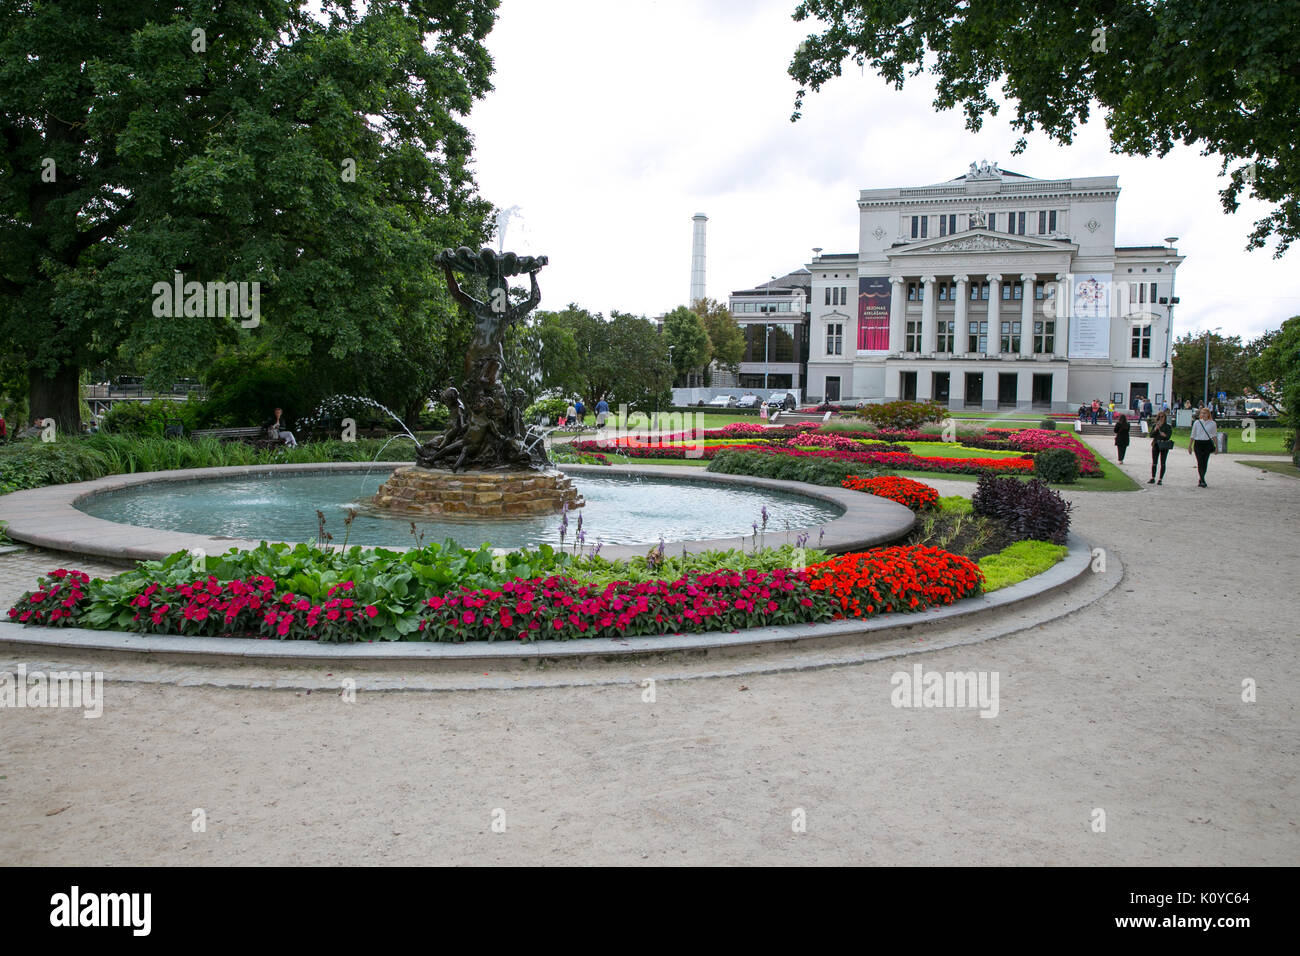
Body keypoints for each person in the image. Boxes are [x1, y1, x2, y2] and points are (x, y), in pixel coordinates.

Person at [1189, 406, 1218, 488]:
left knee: (1204, 462)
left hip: (1207, 443)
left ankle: (1201, 478)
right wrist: (1190, 446)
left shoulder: (1212, 423)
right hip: (1198, 443)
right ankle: (1202, 479)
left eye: (1205, 413)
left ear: (1208, 414)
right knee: (1200, 461)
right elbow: (1193, 435)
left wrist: (1217, 447)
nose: (1203, 415)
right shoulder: (1197, 423)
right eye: (1202, 413)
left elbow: (1214, 436)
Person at [1148, 410, 1173, 485]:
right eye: (1159, 417)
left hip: (1164, 444)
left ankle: (1160, 479)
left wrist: (1163, 434)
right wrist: (1155, 429)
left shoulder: (1168, 426)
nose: (1161, 418)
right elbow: (1151, 435)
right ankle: (1153, 477)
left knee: (1163, 462)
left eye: (1162, 417)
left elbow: (1168, 436)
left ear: (1165, 417)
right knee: (1154, 462)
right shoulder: (1155, 425)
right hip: (1156, 444)